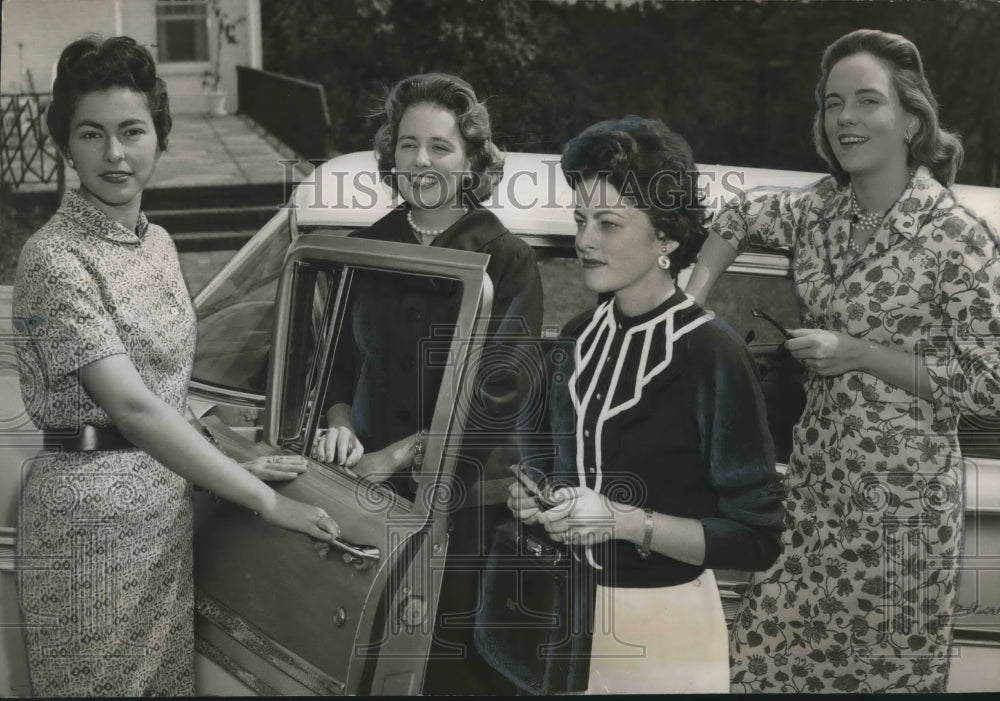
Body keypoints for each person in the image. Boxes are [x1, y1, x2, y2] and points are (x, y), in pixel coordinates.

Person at [12, 36, 340, 697]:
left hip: (164, 518)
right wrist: (265, 499)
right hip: (88, 526)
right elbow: (132, 406)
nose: (113, 153)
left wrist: (238, 459)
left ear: (159, 136)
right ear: (65, 144)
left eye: (132, 131)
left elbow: (169, 388)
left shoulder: (159, 243)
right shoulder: (53, 258)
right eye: (91, 133)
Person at [685, 29, 1000, 693]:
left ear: (911, 119)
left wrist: (859, 353)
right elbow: (738, 215)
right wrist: (688, 306)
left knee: (884, 677)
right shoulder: (821, 211)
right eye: (833, 104)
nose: (846, 119)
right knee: (760, 664)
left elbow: (987, 382)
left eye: (866, 101)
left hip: (903, 514)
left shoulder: (957, 237)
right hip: (814, 493)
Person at [505, 116, 785, 694]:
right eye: (581, 219)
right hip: (568, 620)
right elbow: (550, 466)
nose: (584, 240)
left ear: (667, 238)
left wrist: (624, 521)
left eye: (608, 223)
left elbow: (757, 539)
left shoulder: (712, 352)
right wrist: (535, 499)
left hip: (667, 632)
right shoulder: (576, 337)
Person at [311, 73, 543, 694]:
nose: (421, 160)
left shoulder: (507, 257)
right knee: (361, 660)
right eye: (408, 144)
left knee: (441, 671)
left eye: (440, 147)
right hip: (365, 497)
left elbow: (501, 394)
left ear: (470, 159)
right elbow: (338, 362)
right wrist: (340, 422)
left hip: (462, 510)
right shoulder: (370, 246)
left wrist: (401, 455)